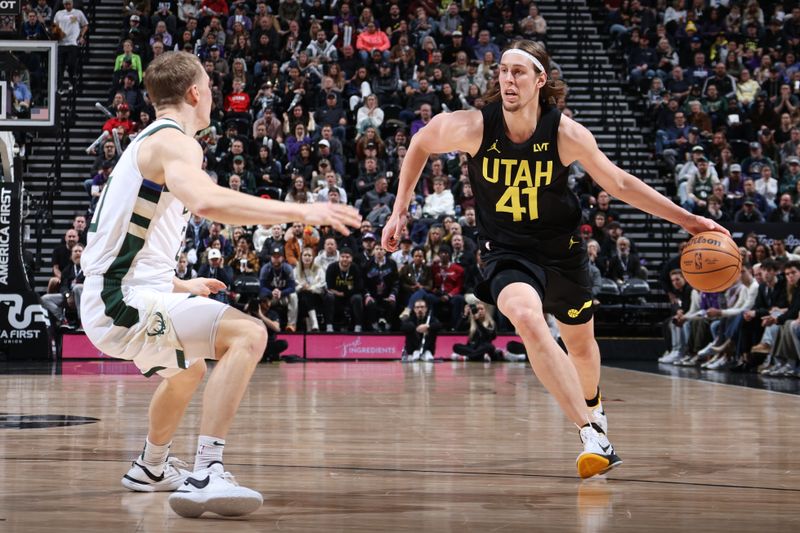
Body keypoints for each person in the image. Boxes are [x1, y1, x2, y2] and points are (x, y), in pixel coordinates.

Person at [382, 39, 727, 479]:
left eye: (518, 72)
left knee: (581, 347)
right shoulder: (472, 127)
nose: (507, 79)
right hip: (506, 252)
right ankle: (591, 434)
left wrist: (688, 220)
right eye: (503, 71)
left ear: (540, 80)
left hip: (562, 253)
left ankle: (595, 410)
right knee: (526, 317)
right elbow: (419, 143)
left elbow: (619, 183)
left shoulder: (565, 133)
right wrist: (399, 211)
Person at [80, 51, 360, 518]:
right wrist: (302, 210)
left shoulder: (149, 144)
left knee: (187, 371)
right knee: (250, 334)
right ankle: (207, 470)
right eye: (209, 86)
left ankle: (151, 466)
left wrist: (179, 286)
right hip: (117, 301)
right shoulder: (175, 142)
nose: (211, 94)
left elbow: (125, 240)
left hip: (115, 294)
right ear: (195, 93)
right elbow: (207, 201)